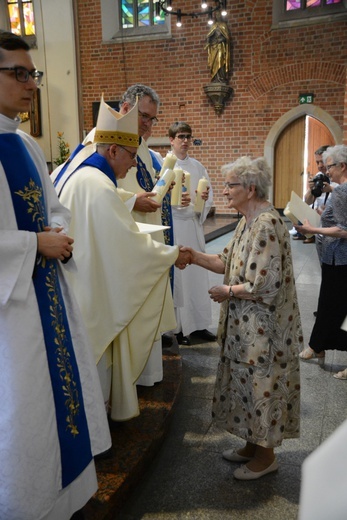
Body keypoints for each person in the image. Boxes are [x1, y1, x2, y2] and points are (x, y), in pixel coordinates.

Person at [0, 32, 111, 520]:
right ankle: (27, 502)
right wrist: (30, 245)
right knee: (24, 409)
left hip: (45, 294)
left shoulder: (23, 141)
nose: (31, 84)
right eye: (18, 74)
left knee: (54, 399)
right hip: (12, 314)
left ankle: (62, 498)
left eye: (33, 74)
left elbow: (55, 207)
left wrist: (57, 234)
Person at [51, 95, 190, 422]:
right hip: (90, 283)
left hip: (82, 273)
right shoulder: (97, 183)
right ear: (112, 150)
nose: (132, 164)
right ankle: (94, 426)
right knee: (95, 357)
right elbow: (127, 245)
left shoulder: (86, 173)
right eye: (129, 156)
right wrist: (172, 255)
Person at [181, 156, 302, 480]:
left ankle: (267, 456)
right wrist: (193, 256)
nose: (225, 191)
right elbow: (226, 260)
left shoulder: (267, 224)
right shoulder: (247, 219)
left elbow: (266, 284)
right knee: (248, 386)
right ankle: (252, 445)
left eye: (231, 185)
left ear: (250, 188)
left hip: (265, 329)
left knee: (264, 386)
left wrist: (228, 292)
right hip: (247, 327)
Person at [117, 83, 176, 381]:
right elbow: (89, 187)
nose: (149, 124)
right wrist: (131, 201)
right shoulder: (103, 140)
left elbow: (147, 188)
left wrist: (163, 191)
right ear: (125, 109)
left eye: (153, 119)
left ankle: (147, 375)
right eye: (143, 116)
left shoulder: (141, 148)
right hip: (125, 245)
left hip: (148, 239)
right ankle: (128, 380)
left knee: (148, 311)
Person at [295, 145, 347, 379]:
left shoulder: (342, 191)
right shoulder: (340, 191)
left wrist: (311, 228)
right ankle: (317, 346)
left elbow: (345, 229)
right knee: (327, 304)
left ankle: (319, 345)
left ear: (342, 166)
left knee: (337, 308)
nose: (327, 172)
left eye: (330, 167)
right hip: (334, 258)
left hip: (341, 259)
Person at [167, 121, 216, 346]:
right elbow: (159, 194)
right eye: (180, 136)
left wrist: (202, 201)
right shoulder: (164, 165)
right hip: (176, 226)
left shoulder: (198, 166)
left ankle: (199, 325)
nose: (185, 141)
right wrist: (173, 202)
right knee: (181, 280)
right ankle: (178, 329)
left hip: (193, 225)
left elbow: (208, 192)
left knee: (197, 278)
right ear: (171, 140)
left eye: (188, 136)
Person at [293, 145, 336, 244]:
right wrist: (310, 189)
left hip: (334, 230)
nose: (320, 165)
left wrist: (331, 189)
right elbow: (308, 201)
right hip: (320, 229)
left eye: (322, 161)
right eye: (317, 162)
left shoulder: (337, 178)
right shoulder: (319, 176)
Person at [205, 14, 231, 83]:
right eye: (216, 15)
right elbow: (209, 36)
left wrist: (221, 39)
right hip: (214, 47)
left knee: (220, 60)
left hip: (221, 47)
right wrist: (209, 41)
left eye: (218, 14)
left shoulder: (223, 25)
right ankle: (215, 77)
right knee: (214, 62)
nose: (217, 16)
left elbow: (227, 37)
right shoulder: (213, 26)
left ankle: (221, 77)